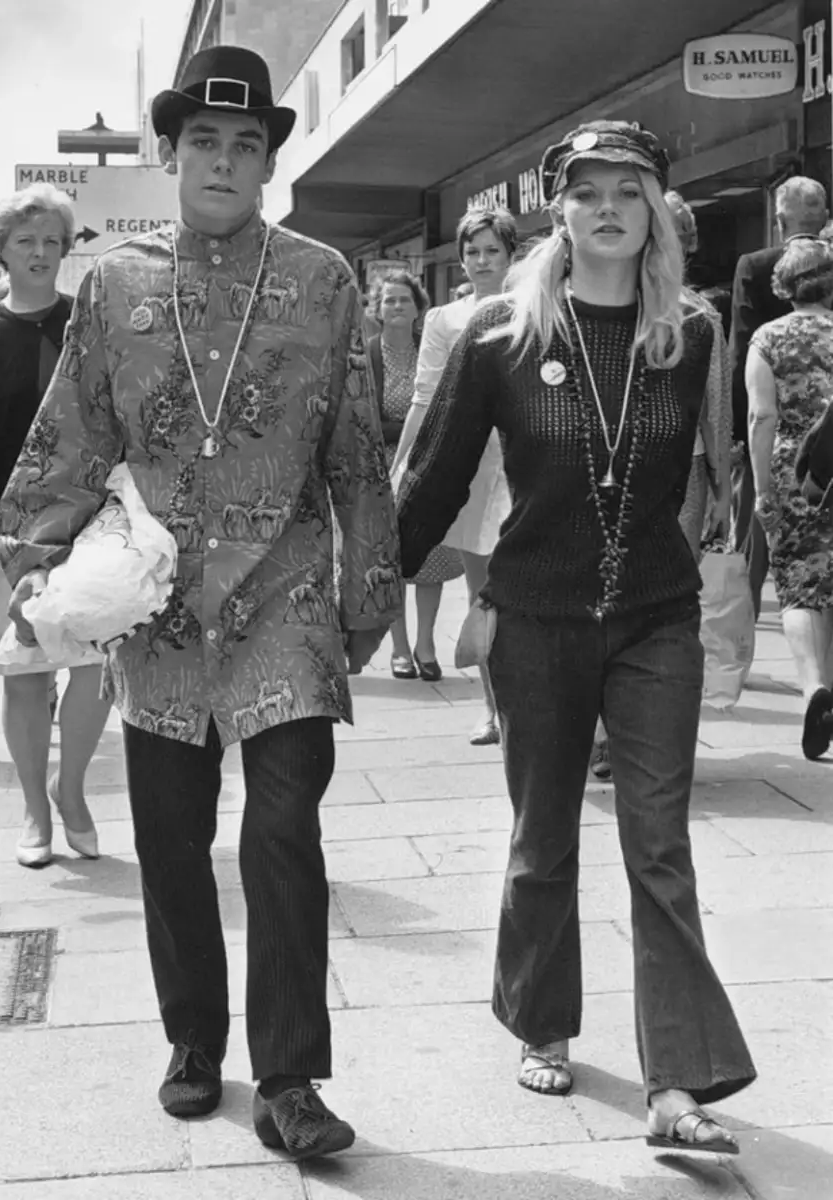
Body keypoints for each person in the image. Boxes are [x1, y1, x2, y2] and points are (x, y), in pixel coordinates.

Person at [0, 45, 401, 1159]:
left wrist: (369, 590)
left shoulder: (325, 279)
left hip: (286, 596)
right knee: (173, 840)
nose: (226, 160)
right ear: (171, 153)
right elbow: (75, 428)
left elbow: (358, 449)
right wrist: (34, 547)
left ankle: (290, 1078)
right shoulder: (115, 285)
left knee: (283, 829)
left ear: (270, 160)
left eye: (248, 145)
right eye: (206, 142)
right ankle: (192, 1041)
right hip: (159, 608)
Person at [397, 120, 755, 1154]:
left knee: (659, 847)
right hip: (537, 620)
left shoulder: (687, 332)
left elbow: (698, 467)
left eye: (628, 193)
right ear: (558, 210)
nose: (608, 210)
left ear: (653, 213)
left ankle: (678, 1086)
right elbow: (434, 479)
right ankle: (541, 1017)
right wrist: (362, 600)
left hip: (656, 621)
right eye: (588, 192)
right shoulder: (502, 336)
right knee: (542, 838)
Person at [0, 184, 110, 867]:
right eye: (26, 240)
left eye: (53, 240)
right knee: (25, 674)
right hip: (1, 530)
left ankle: (71, 791)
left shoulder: (91, 324)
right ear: (2, 251)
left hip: (88, 528)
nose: (41, 252)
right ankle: (33, 813)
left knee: (93, 669)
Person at [393, 207, 515, 743]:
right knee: (481, 593)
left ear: (512, 253)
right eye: (472, 251)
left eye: (491, 250)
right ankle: (493, 711)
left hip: (529, 464)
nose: (481, 261)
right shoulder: (444, 319)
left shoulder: (538, 305)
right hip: (472, 466)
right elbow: (425, 398)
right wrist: (402, 466)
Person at [746, 237, 833, 759]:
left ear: (784, 286)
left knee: (801, 586)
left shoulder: (768, 338)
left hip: (794, 472)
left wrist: (760, 489)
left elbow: (762, 416)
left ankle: (813, 689)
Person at [731, 177, 829, 617]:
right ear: (824, 218)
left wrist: (736, 434)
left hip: (774, 439)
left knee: (754, 547)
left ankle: (745, 635)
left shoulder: (755, 265)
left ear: (777, 219)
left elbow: (740, 349)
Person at [367, 269, 462, 680]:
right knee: (390, 561)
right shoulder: (365, 354)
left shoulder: (434, 348)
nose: (397, 306)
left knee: (431, 558)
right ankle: (399, 648)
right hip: (381, 469)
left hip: (427, 464)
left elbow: (447, 404)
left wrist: (418, 428)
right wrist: (406, 427)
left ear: (419, 306)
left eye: (405, 299)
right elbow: (364, 418)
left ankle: (426, 644)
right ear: (377, 309)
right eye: (389, 300)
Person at [665, 190, 731, 559]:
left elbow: (714, 411)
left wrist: (721, 490)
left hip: (685, 465)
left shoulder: (701, 315)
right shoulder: (699, 313)